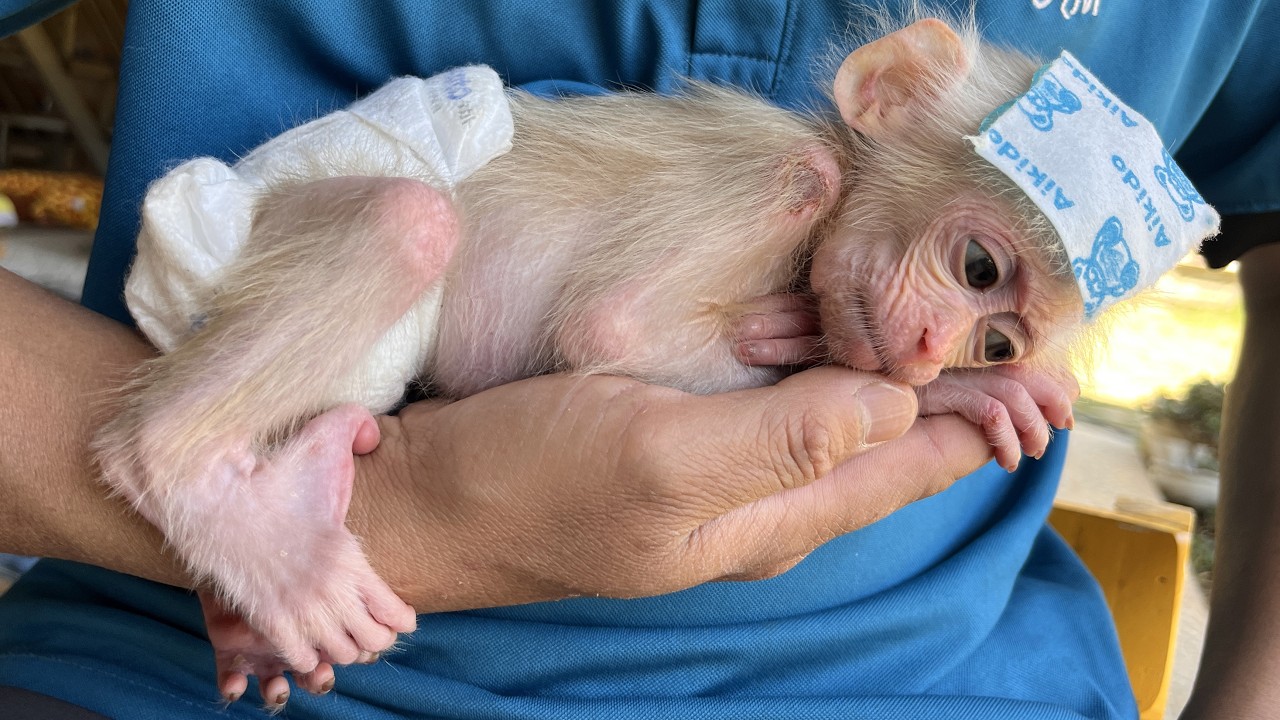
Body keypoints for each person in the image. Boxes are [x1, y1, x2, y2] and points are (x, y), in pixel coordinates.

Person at [0, 1, 1275, 718]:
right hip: (171, 648)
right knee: (402, 237)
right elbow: (611, 338)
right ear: (884, 93)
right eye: (977, 270)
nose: (934, 347)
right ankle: (201, 473)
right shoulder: (792, 177)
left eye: (996, 340)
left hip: (951, 686)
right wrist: (414, 528)